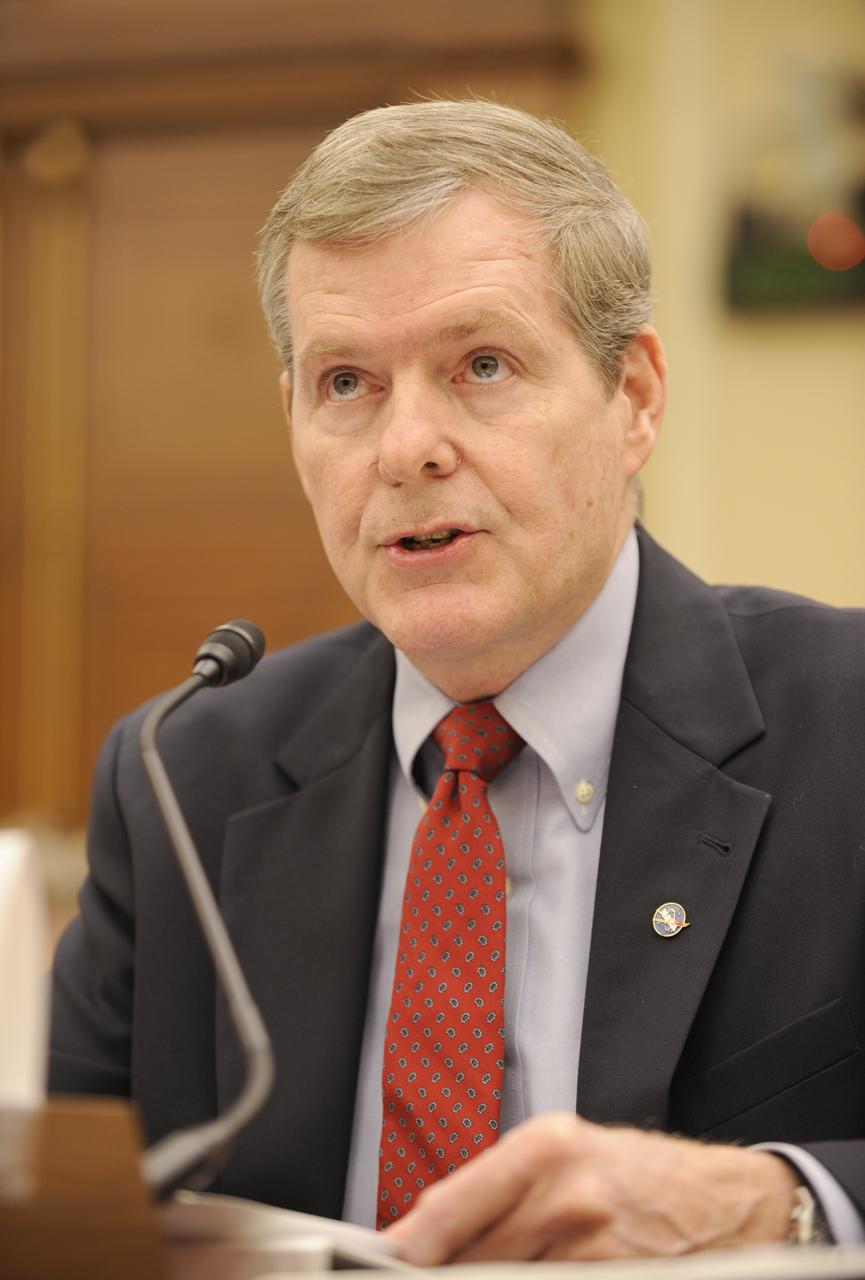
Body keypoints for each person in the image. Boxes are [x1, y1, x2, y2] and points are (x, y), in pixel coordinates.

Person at [49, 100, 865, 1263]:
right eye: (346, 383)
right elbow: (56, 1203)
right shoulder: (182, 772)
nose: (404, 448)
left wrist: (771, 1201)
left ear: (633, 396)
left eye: (481, 364)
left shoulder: (846, 725)